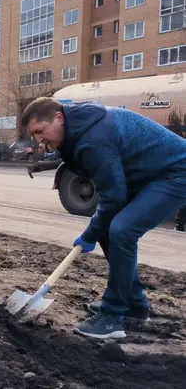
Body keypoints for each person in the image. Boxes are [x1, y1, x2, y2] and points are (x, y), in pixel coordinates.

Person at [21, 97, 186, 339]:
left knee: (121, 230)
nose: (39, 140)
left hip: (176, 173)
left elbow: (113, 198)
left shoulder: (92, 140)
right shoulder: (76, 129)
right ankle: (134, 304)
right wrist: (95, 231)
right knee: (107, 230)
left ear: (58, 118)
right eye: (34, 135)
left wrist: (88, 234)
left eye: (40, 131)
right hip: (147, 174)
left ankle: (112, 317)